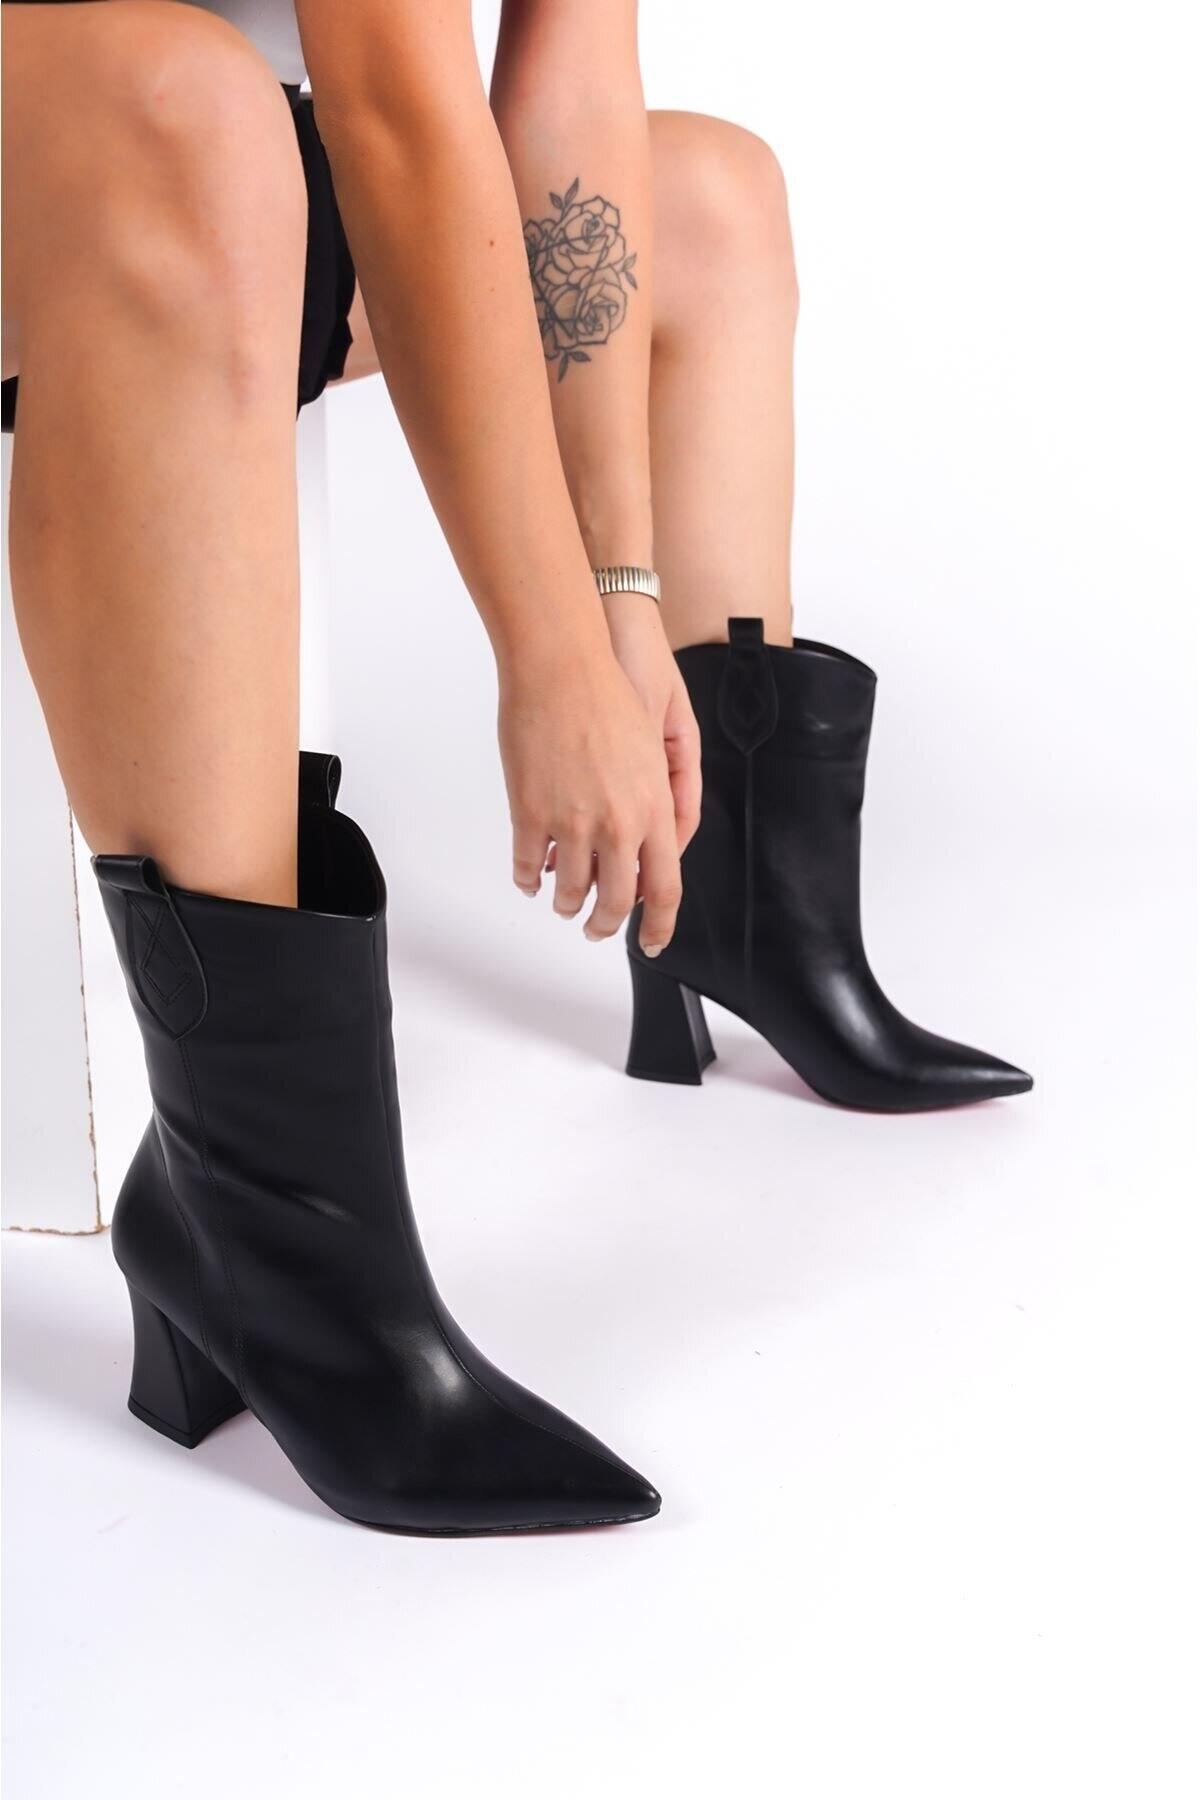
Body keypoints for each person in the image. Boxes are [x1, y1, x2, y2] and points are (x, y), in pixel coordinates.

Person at [1, 0, 1030, 1535]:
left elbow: (569, 102)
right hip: (112, 160)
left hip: (219, 174)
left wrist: (619, 596)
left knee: (707, 203)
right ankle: (254, 1221)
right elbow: (401, 118)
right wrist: (547, 656)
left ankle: (741, 918)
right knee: (199, 120)